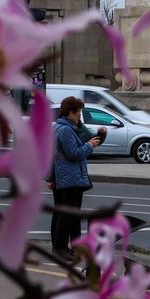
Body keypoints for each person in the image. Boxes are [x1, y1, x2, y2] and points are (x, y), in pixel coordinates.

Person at [49, 97, 101, 260]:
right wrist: (89, 145)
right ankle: (60, 248)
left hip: (63, 177)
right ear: (70, 113)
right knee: (67, 215)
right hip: (70, 177)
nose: (80, 116)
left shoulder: (61, 127)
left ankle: (64, 247)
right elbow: (74, 153)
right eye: (78, 113)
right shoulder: (65, 130)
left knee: (62, 213)